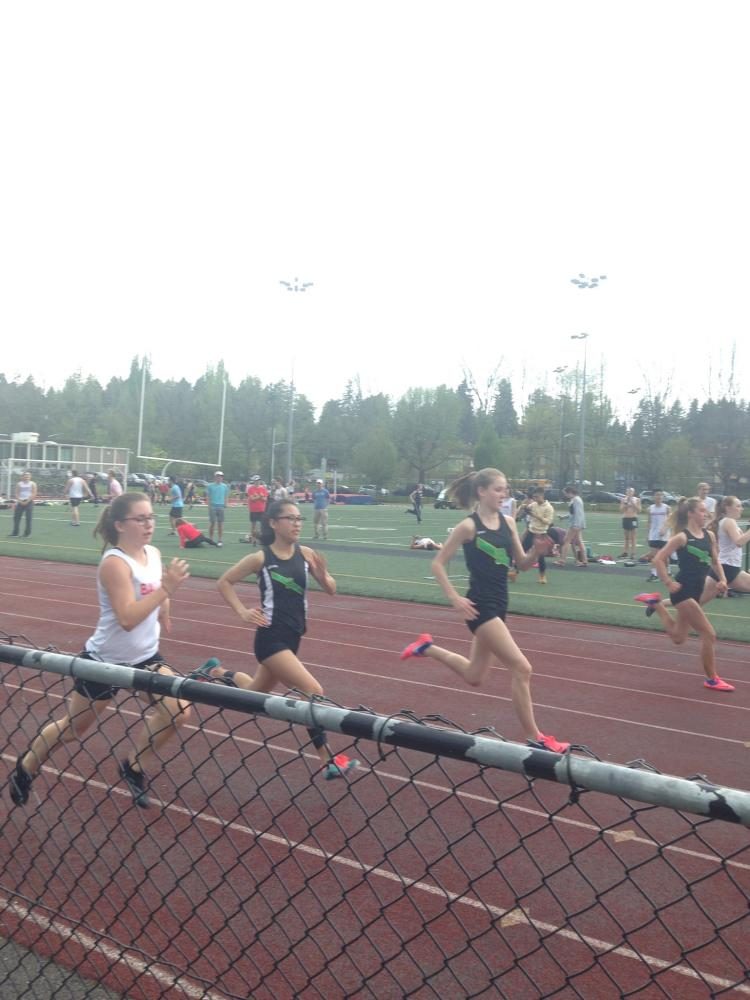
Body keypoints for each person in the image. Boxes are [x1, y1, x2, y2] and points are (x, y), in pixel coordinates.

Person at [9, 492, 192, 809]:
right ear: (120, 524)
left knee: (178, 711)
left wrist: (166, 607)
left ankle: (133, 766)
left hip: (145, 659)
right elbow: (127, 619)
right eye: (141, 518)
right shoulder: (115, 564)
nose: (149, 524)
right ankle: (26, 767)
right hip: (104, 662)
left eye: (151, 517)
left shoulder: (154, 552)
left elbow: (156, 589)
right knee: (72, 729)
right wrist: (167, 589)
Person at [400, 468, 570, 753]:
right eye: (499, 489)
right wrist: (454, 598)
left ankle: (426, 647)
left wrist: (538, 552)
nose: (504, 494)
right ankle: (535, 738)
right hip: (480, 605)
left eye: (505, 489)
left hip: (501, 603)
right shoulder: (468, 526)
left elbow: (522, 563)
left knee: (474, 676)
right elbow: (438, 564)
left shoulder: (509, 523)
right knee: (521, 668)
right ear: (482, 491)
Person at [193, 499, 358, 779]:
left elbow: (332, 589)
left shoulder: (306, 554)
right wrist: (242, 611)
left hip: (293, 638)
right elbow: (224, 582)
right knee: (312, 690)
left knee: (255, 693)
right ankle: (327, 759)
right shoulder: (261, 558)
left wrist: (321, 574)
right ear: (273, 522)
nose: (296, 524)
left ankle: (216, 671)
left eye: (299, 518)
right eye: (290, 518)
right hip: (270, 640)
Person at [634, 497, 732, 692]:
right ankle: (712, 679)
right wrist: (669, 582)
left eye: (706, 511)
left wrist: (722, 579)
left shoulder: (709, 536)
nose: (706, 514)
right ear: (691, 513)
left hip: (696, 591)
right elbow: (659, 559)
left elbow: (715, 561)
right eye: (702, 511)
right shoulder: (682, 537)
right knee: (708, 634)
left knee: (678, 638)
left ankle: (657, 604)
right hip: (683, 591)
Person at [702, 496, 750, 599]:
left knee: (695, 601)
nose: (741, 508)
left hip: (724, 566)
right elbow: (739, 542)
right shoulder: (729, 521)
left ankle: (658, 604)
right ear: (728, 508)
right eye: (738, 506)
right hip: (728, 567)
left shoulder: (726, 521)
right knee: (695, 602)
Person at [516, 486, 555, 584]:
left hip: (541, 534)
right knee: (522, 551)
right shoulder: (533, 504)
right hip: (531, 532)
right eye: (534, 497)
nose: (535, 499)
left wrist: (536, 516)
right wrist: (523, 507)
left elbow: (549, 522)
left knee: (540, 556)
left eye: (537, 497)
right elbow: (526, 509)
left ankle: (542, 576)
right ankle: (514, 571)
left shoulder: (549, 508)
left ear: (542, 496)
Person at [555, 486, 587, 567]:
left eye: (565, 494)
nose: (565, 495)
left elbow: (578, 514)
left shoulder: (576, 500)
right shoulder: (575, 499)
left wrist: (576, 525)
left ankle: (562, 561)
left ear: (570, 492)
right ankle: (584, 561)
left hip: (575, 524)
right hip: (577, 524)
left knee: (566, 541)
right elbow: (573, 514)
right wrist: (563, 517)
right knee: (579, 542)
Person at [643, 490, 671, 579]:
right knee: (653, 555)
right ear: (653, 497)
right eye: (657, 495)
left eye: (660, 495)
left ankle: (668, 571)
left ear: (663, 497)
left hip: (664, 536)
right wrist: (648, 534)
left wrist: (664, 529)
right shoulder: (650, 508)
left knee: (665, 557)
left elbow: (670, 521)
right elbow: (649, 522)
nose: (658, 497)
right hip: (653, 535)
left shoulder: (667, 508)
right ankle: (654, 574)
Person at [206, 470, 230, 546]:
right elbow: (208, 496)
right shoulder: (210, 486)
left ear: (222, 478)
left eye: (220, 476)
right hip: (213, 506)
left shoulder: (224, 486)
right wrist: (209, 506)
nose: (219, 478)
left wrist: (225, 504)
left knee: (220, 524)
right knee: (212, 523)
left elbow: (226, 496)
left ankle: (220, 539)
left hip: (221, 506)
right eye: (218, 476)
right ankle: (211, 539)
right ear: (215, 477)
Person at [10, 470, 37, 538]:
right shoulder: (19, 484)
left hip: (29, 502)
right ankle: (15, 533)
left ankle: (27, 534)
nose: (26, 477)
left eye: (28, 476)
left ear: (30, 477)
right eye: (25, 476)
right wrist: (20, 501)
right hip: (20, 502)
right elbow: (16, 493)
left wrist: (27, 501)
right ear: (22, 477)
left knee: (28, 518)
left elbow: (34, 493)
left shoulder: (33, 483)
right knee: (16, 518)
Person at [619, 488, 641, 564]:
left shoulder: (637, 499)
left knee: (633, 537)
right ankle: (625, 552)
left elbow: (639, 510)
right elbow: (621, 510)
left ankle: (633, 553)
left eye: (631, 491)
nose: (629, 493)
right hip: (625, 518)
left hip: (633, 519)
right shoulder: (623, 499)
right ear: (626, 492)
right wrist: (626, 505)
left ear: (633, 492)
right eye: (628, 491)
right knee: (626, 537)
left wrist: (632, 503)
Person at [244, 476, 269, 544]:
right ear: (254, 481)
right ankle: (253, 539)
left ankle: (260, 539)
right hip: (253, 509)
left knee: (262, 525)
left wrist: (258, 497)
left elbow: (265, 499)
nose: (257, 482)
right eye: (256, 480)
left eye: (258, 480)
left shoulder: (263, 488)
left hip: (261, 509)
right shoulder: (250, 489)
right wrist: (260, 496)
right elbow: (252, 499)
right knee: (253, 525)